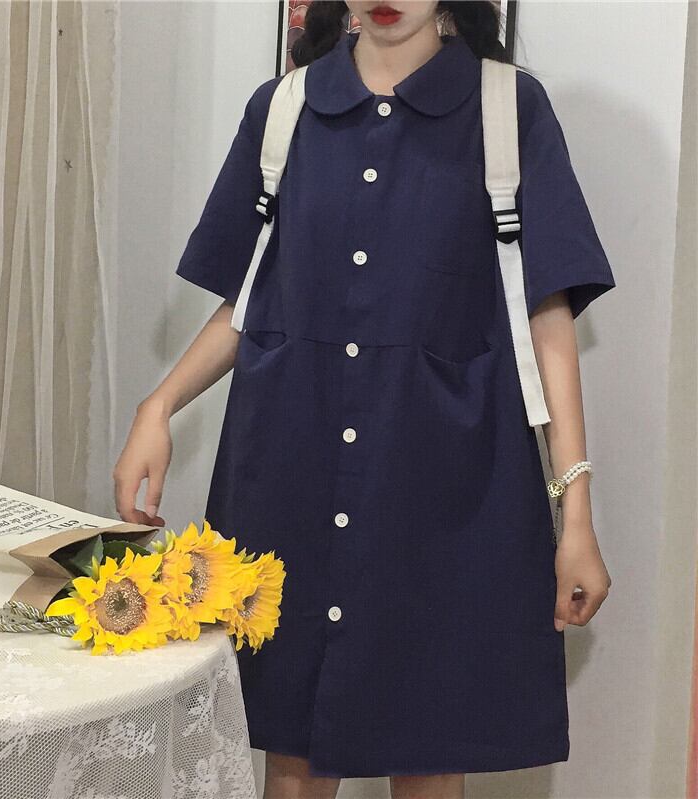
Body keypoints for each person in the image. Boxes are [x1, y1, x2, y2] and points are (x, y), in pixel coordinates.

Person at [113, 2, 616, 797]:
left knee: (428, 757)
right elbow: (252, 299)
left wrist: (576, 515)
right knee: (291, 756)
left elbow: (545, 314)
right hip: (293, 473)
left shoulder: (508, 108)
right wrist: (159, 403)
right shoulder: (282, 110)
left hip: (446, 493)